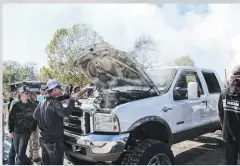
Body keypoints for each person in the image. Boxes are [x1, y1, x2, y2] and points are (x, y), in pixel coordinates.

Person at [33, 79, 76, 165]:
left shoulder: (42, 102)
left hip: (43, 140)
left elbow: (35, 116)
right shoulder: (54, 103)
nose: (61, 90)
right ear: (55, 89)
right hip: (54, 142)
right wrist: (72, 101)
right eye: (59, 88)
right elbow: (65, 113)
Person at [8, 86, 37, 165]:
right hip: (16, 132)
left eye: (28, 93)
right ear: (20, 94)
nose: (26, 95)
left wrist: (33, 129)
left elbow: (36, 118)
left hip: (26, 132)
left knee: (20, 153)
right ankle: (28, 163)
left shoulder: (33, 106)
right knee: (18, 152)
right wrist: (10, 130)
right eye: (24, 93)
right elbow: (11, 119)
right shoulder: (16, 105)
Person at [218, 65, 240, 165]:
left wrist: (224, 128)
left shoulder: (223, 94)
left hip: (228, 135)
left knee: (231, 162)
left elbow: (221, 113)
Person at [27, 92, 41, 162]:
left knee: (30, 141)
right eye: (34, 94)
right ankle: (35, 157)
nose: (35, 95)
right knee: (34, 140)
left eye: (36, 94)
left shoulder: (27, 103)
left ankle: (30, 155)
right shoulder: (34, 104)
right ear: (30, 95)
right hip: (33, 125)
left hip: (27, 125)